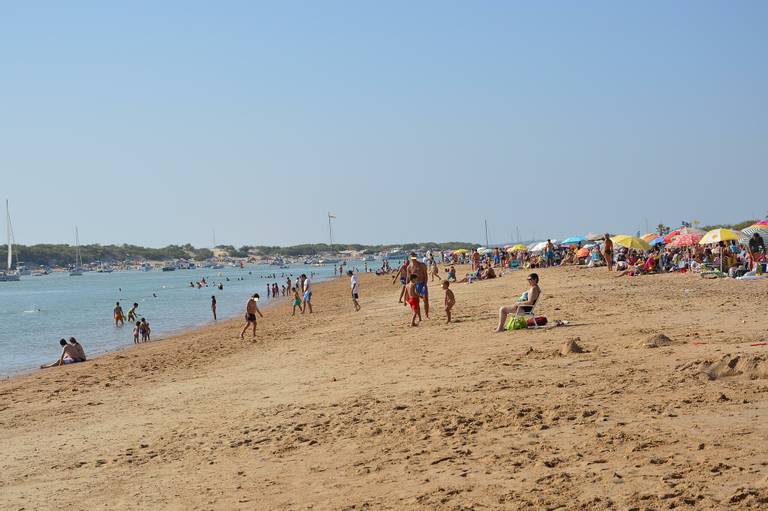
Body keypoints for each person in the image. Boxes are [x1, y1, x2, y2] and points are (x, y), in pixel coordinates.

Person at [407, 252, 430, 318]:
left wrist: (425, 284)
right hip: (414, 285)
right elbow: (408, 278)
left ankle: (426, 315)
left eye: (414, 256)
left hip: (422, 283)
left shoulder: (422, 265)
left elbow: (425, 275)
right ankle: (419, 317)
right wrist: (408, 287)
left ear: (416, 256)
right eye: (412, 256)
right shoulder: (409, 267)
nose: (413, 258)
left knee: (425, 300)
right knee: (416, 301)